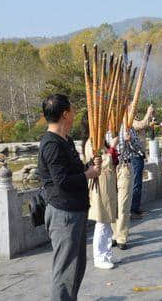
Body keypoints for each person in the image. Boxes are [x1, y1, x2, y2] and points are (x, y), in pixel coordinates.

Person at [38, 94, 101, 300]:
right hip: (63, 214)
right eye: (72, 110)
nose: (74, 114)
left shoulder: (66, 139)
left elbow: (73, 170)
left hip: (75, 210)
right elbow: (62, 181)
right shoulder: (51, 145)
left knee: (76, 267)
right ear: (65, 114)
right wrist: (88, 175)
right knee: (65, 271)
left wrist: (88, 167)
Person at [112, 104, 154, 250]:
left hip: (124, 166)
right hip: (110, 168)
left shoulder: (128, 126)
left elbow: (137, 147)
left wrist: (129, 140)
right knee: (113, 203)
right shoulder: (108, 127)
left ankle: (122, 237)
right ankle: (114, 233)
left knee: (123, 203)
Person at [82, 114, 119, 270]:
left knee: (107, 222)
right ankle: (99, 256)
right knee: (102, 222)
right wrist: (111, 150)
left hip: (108, 184)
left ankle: (107, 253)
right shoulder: (91, 143)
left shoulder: (100, 141)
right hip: (99, 186)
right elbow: (98, 163)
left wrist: (111, 149)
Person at [130, 105, 155, 218]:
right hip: (135, 156)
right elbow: (141, 125)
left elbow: (144, 125)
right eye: (133, 107)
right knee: (136, 183)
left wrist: (150, 119)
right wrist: (148, 112)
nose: (135, 109)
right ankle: (134, 210)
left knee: (138, 182)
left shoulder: (134, 120)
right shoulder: (130, 121)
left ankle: (136, 208)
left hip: (139, 155)